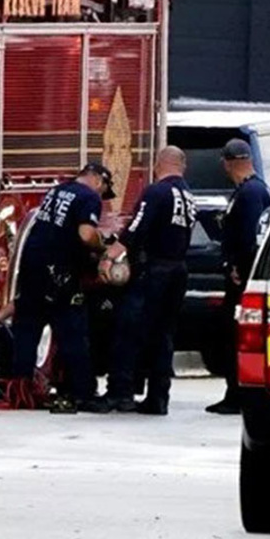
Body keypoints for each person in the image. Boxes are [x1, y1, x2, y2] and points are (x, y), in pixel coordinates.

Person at [10, 163, 115, 414]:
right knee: (73, 333)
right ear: (99, 181)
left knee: (27, 328)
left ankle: (19, 391)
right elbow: (86, 235)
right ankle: (83, 393)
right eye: (104, 191)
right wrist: (104, 247)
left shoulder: (56, 191)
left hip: (32, 266)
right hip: (60, 271)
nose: (101, 197)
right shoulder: (89, 196)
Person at [99, 146, 196, 416]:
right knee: (163, 334)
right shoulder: (188, 195)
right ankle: (158, 398)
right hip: (178, 270)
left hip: (154, 270)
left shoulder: (156, 192)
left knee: (128, 330)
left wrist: (109, 257)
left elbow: (135, 229)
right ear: (182, 166)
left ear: (157, 165)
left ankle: (120, 392)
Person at [207, 139, 270, 415]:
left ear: (227, 162)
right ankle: (234, 392)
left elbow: (249, 236)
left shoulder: (249, 193)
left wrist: (237, 266)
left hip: (243, 279)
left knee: (235, 336)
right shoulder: (253, 190)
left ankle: (237, 394)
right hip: (244, 275)